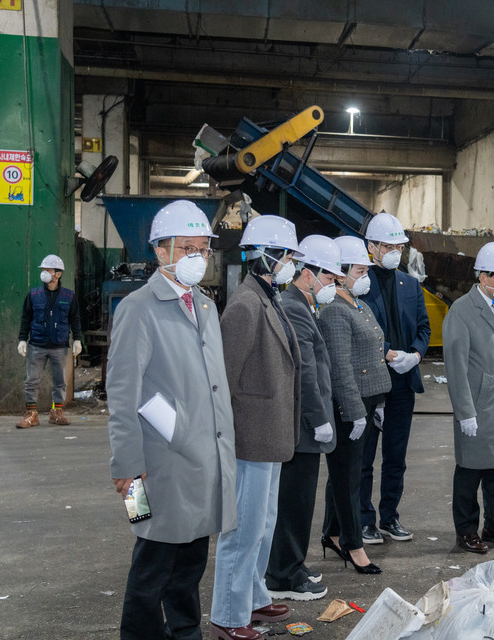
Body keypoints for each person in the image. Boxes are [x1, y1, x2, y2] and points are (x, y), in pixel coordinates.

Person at [106, 200, 236, 640]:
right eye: (186, 248)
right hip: (149, 467)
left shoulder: (204, 306)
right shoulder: (138, 309)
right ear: (160, 252)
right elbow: (122, 393)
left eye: (202, 248)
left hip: (200, 462)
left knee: (190, 566)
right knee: (150, 566)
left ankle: (185, 633)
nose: (197, 257)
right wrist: (125, 465)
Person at [209, 216, 302, 640]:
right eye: (286, 256)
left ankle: (253, 595)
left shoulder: (269, 297)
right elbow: (223, 380)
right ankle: (229, 614)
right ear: (266, 257)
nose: (291, 264)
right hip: (250, 436)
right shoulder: (246, 305)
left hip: (271, 433)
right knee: (242, 530)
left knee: (263, 523)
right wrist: (225, 442)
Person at [265, 235, 340, 602]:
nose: (333, 286)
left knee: (298, 502)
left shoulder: (303, 304)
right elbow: (305, 370)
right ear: (309, 274)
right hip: (302, 426)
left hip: (304, 424)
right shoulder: (294, 306)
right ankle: (283, 574)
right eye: (330, 279)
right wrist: (319, 416)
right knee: (294, 502)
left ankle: (292, 563)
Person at [443, 242, 494, 554]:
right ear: (483, 277)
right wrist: (465, 412)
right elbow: (456, 366)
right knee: (471, 469)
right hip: (478, 405)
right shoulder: (462, 312)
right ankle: (466, 530)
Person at [316, 236, 391, 574]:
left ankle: (332, 532)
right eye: (360, 270)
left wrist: (378, 401)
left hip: (368, 401)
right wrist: (355, 409)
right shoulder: (334, 311)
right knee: (348, 477)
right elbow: (341, 366)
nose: (366, 277)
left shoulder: (360, 304)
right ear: (342, 273)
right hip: (349, 406)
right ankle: (353, 544)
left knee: (346, 473)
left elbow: (374, 353)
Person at [358, 212, 431, 544]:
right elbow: (358, 329)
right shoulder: (359, 283)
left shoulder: (410, 284)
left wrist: (414, 354)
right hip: (371, 383)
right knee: (364, 458)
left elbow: (424, 327)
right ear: (371, 246)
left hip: (403, 382)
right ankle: (364, 519)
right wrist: (388, 353)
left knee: (396, 456)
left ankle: (390, 517)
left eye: (399, 246)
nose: (394, 252)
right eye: (388, 246)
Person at [16, 254, 83, 428]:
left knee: (60, 382)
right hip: (36, 345)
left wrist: (77, 339)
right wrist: (22, 339)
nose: (44, 273)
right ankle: (31, 414)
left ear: (58, 274)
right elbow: (26, 318)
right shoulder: (34, 295)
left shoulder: (68, 296)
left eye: (48, 270)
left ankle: (56, 412)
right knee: (32, 381)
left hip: (59, 346)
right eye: (44, 270)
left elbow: (75, 319)